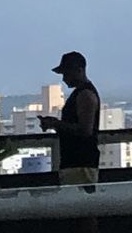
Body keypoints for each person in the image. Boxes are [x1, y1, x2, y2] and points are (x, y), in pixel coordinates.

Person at [41, 52, 102, 185]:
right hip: (78, 163)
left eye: (66, 73)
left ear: (79, 70)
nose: (64, 78)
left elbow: (85, 130)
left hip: (80, 164)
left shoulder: (85, 95)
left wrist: (56, 124)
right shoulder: (83, 93)